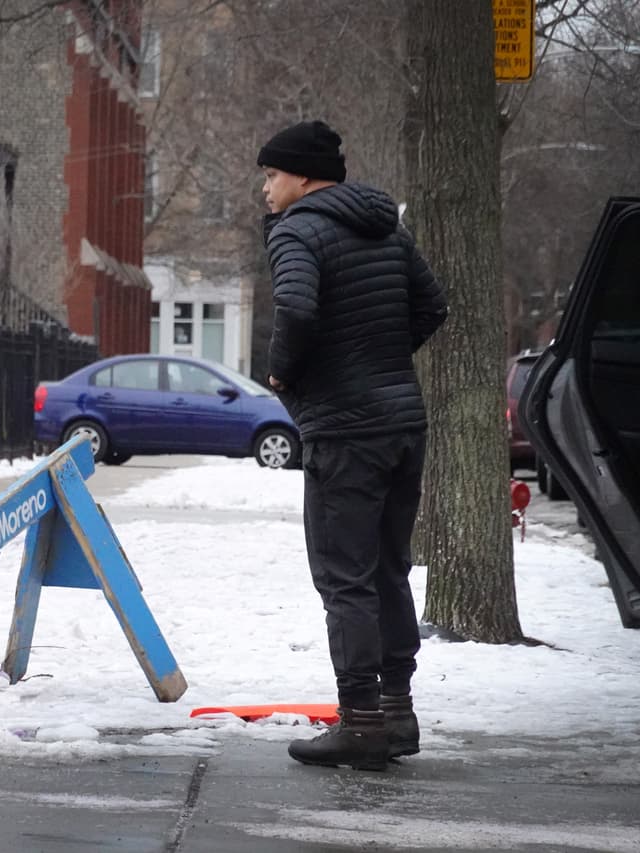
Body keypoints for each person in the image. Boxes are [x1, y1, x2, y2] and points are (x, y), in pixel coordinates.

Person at [256, 120, 448, 770]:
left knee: (345, 578)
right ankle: (398, 711)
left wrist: (285, 372)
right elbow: (432, 306)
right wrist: (383, 363)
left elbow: (298, 311)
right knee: (389, 568)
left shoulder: (297, 231)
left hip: (346, 431)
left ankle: (360, 722)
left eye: (273, 175)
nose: (266, 187)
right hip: (403, 424)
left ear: (305, 177)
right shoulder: (387, 226)